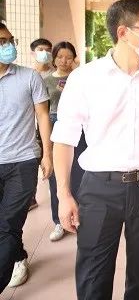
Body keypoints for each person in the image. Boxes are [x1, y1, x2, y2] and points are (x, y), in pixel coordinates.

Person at [50, 0, 139, 300]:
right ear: (123, 32)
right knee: (93, 276)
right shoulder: (85, 79)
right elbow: (64, 139)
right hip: (99, 189)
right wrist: (63, 194)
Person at [0, 24, 53, 291]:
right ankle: (18, 255)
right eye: (2, 41)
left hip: (22, 161)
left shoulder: (29, 77)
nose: (9, 46)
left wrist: (47, 154)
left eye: (11, 40)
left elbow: (43, 116)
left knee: (8, 223)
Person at [43, 41, 85, 242]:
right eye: (60, 57)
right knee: (57, 177)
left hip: (79, 128)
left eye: (68, 57)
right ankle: (58, 220)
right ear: (54, 58)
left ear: (74, 58)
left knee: (80, 173)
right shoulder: (46, 81)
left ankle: (80, 216)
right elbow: (42, 112)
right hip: (55, 125)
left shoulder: (81, 78)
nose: (64, 61)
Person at [28, 38, 54, 211]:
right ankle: (31, 197)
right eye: (40, 49)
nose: (45, 53)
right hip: (31, 127)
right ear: (33, 53)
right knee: (32, 162)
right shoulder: (28, 76)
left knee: (51, 159)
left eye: (48, 49)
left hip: (50, 124)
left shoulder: (56, 75)